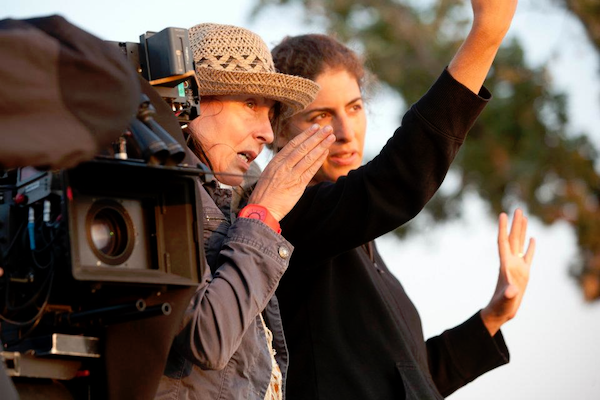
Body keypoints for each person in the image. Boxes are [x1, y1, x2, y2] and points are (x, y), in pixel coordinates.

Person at [271, 1, 536, 399]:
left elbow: (412, 380)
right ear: (277, 129)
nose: (345, 131)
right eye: (320, 116)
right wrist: (486, 34)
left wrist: (492, 317)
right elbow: (398, 178)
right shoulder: (287, 221)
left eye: (355, 107)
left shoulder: (356, 241)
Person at [155, 23, 334, 400]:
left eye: (271, 113)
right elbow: (209, 338)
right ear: (192, 100)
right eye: (251, 104)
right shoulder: (158, 185)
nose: (267, 133)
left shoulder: (227, 199)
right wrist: (263, 215)